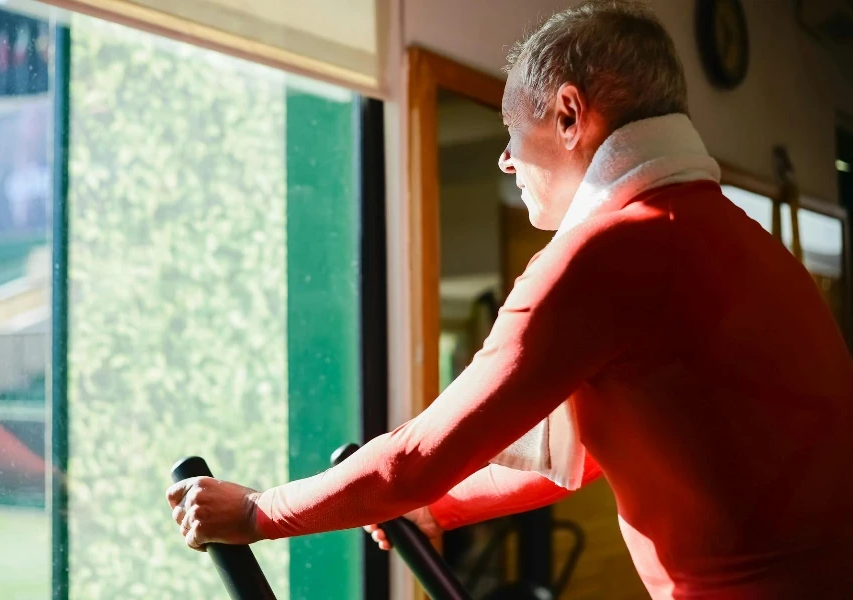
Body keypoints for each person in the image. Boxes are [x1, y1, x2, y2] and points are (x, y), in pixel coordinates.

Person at [167, 2, 853, 597]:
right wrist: (437, 512)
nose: (504, 158)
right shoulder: (738, 238)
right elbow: (572, 461)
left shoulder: (601, 256)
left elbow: (414, 461)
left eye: (510, 129)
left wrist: (257, 511)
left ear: (567, 115)